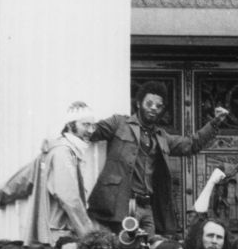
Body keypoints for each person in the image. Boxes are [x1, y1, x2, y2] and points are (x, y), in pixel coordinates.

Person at [88, 81, 229, 235]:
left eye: (158, 106)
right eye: (149, 103)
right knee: (125, 246)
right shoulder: (119, 123)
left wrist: (215, 122)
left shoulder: (162, 137)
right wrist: (77, 122)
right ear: (138, 104)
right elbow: (91, 131)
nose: (154, 108)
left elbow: (191, 144)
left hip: (148, 206)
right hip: (123, 203)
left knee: (151, 248)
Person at [29, 101, 98, 242]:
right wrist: (90, 236)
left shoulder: (59, 148)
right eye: (85, 125)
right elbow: (69, 197)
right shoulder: (63, 152)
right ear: (70, 125)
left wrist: (2, 193)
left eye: (93, 125)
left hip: (59, 228)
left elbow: (27, 175)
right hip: (62, 230)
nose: (91, 130)